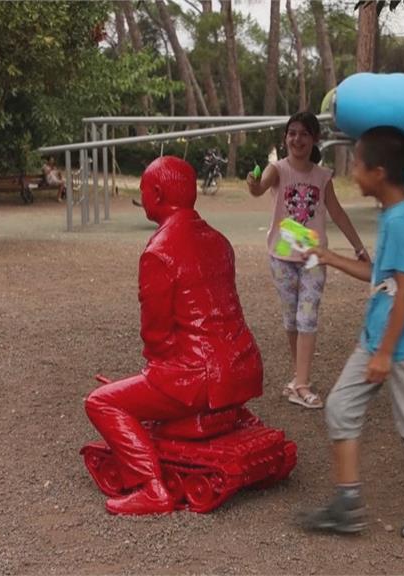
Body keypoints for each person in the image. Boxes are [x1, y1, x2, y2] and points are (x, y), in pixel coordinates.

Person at [299, 126, 404, 544]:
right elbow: (382, 278)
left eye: (356, 164)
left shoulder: (399, 220)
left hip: (402, 345)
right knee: (340, 406)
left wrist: (385, 354)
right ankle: (346, 505)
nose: (353, 172)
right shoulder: (396, 213)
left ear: (378, 172)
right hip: (378, 339)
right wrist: (329, 257)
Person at [84, 156, 263, 515]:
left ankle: (152, 488)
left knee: (101, 401)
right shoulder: (218, 240)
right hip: (243, 366)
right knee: (145, 391)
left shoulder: (159, 252)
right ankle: (225, 419)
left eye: (144, 190)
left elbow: (157, 335)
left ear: (158, 194)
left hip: (195, 377)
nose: (142, 197)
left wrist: (154, 377)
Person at [245, 111, 369, 410]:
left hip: (314, 257)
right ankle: (299, 377)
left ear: (315, 139)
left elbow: (337, 212)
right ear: (286, 138)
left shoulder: (322, 176)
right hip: (282, 257)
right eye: (292, 133)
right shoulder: (278, 169)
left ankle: (300, 383)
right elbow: (260, 187)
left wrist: (359, 247)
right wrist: (253, 184)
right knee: (292, 320)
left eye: (303, 133)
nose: (297, 139)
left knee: (307, 318)